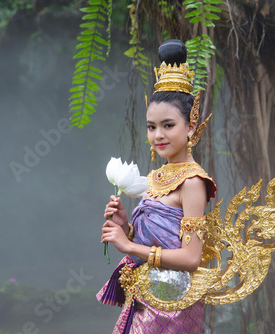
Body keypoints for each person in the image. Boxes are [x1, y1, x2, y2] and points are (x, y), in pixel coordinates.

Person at [97, 39, 216, 334]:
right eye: (151, 127)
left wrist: (127, 245)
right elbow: (153, 244)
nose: (157, 135)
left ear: (190, 127)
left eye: (168, 125)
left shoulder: (192, 182)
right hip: (145, 297)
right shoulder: (154, 179)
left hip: (173, 308)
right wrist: (125, 226)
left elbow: (190, 257)